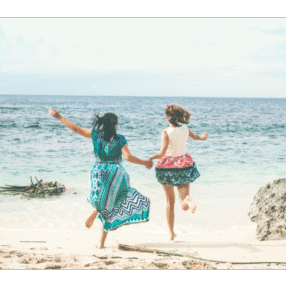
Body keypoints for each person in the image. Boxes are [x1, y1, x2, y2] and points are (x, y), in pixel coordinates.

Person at [48, 108, 152, 249]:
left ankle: (95, 210)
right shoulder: (120, 139)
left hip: (99, 171)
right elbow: (128, 157)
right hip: (116, 173)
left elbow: (77, 129)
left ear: (102, 123)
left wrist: (59, 117)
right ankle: (101, 241)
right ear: (115, 125)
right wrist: (145, 162)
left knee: (100, 202)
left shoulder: (96, 135)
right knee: (110, 208)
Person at [149, 104, 208, 241]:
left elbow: (162, 153)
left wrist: (150, 158)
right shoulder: (185, 129)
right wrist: (203, 137)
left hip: (167, 168)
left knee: (170, 201)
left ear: (167, 117)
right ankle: (188, 199)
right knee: (183, 202)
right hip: (183, 165)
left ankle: (171, 233)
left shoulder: (166, 132)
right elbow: (197, 137)